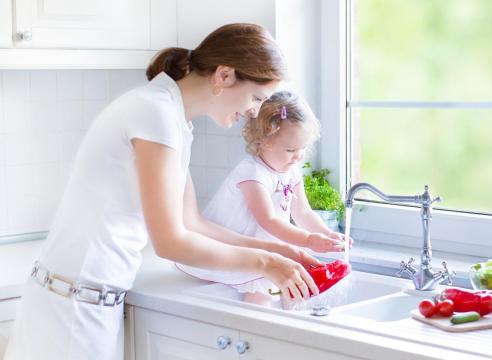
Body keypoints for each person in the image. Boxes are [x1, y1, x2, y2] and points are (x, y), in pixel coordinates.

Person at [4, 23, 320, 360]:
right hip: (72, 311)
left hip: (83, 303)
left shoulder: (173, 119)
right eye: (256, 97)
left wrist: (277, 250)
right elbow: (170, 242)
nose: (254, 111)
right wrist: (265, 262)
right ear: (225, 75)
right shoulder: (154, 113)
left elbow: (191, 224)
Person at [177, 91, 350, 305]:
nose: (298, 156)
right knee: (260, 291)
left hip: (266, 246)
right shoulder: (252, 173)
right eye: (290, 149)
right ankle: (259, 325)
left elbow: (302, 212)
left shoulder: (291, 170)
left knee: (283, 286)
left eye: (303, 148)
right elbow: (268, 220)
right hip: (238, 248)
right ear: (263, 141)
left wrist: (327, 234)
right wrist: (307, 240)